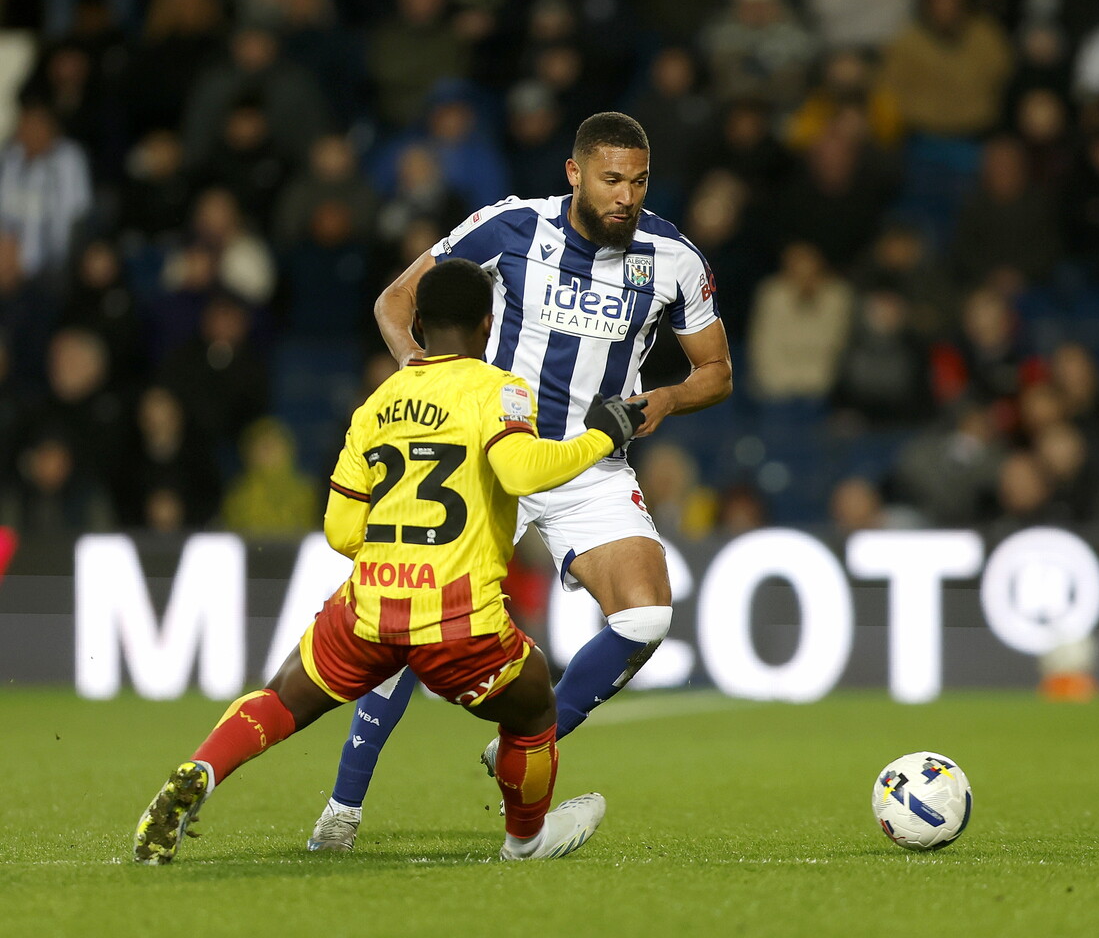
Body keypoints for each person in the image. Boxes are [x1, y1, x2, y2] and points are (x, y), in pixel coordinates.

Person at [307, 111, 732, 851]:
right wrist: (432, 388)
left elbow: (717, 371)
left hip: (588, 465)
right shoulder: (507, 228)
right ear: (574, 174)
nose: (626, 197)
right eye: (610, 180)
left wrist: (663, 398)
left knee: (648, 616)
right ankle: (342, 809)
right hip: (489, 457)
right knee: (402, 623)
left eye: (638, 181)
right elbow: (394, 303)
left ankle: (524, 745)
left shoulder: (673, 258)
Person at [133, 258, 648, 865]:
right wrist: (599, 438)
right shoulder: (500, 388)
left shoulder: (377, 403)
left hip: (369, 607)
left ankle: (202, 768)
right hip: (460, 617)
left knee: (280, 699)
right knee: (535, 702)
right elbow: (517, 471)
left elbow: (339, 529)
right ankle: (525, 841)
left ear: (421, 324)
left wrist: (394, 555)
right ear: (488, 327)